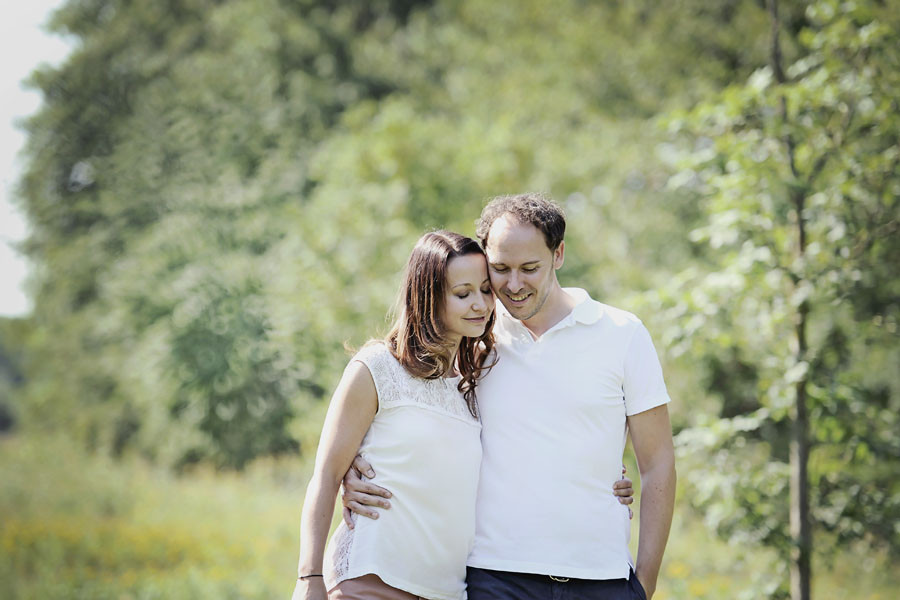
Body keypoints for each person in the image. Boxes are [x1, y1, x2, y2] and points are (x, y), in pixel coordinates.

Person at [343, 193, 676, 600]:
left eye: (529, 268)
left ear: (559, 254)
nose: (514, 285)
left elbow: (658, 463)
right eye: (500, 268)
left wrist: (644, 583)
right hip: (494, 577)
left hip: (602, 576)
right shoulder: (473, 335)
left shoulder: (623, 334)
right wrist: (353, 465)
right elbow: (407, 407)